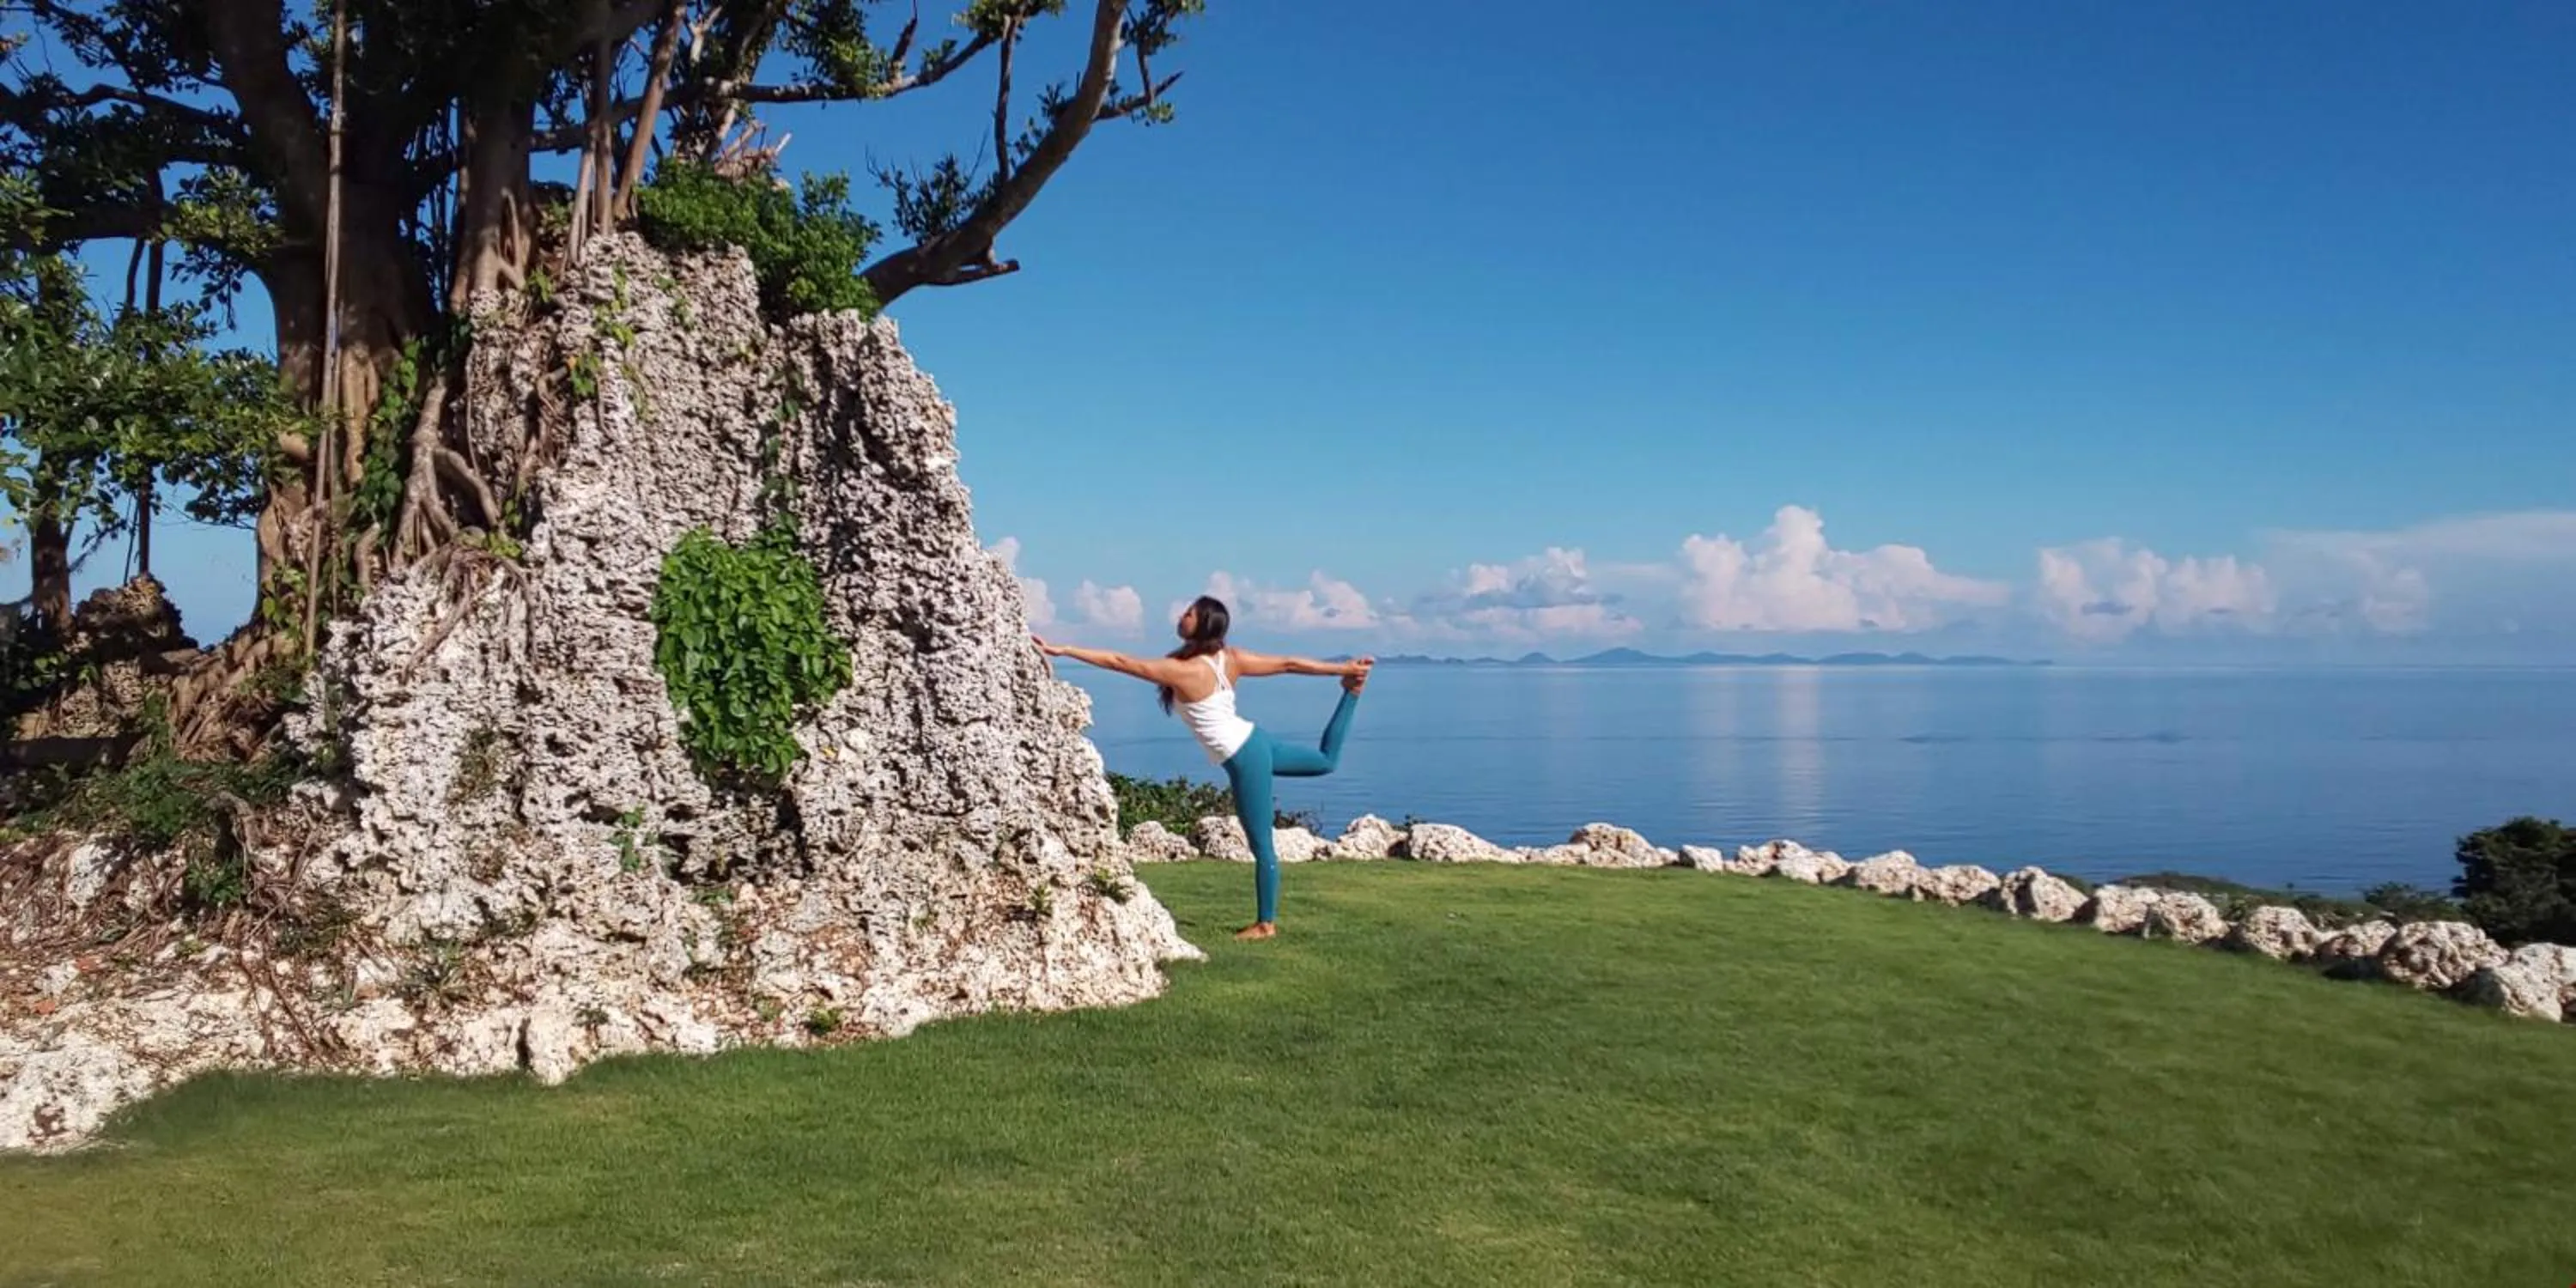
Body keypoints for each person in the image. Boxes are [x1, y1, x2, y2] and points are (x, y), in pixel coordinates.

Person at [1036, 595, 1372, 940]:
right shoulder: (1231, 659)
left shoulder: (1182, 670)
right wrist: (1343, 669)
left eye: (1189, 613)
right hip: (1255, 740)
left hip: (1246, 755)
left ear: (1202, 625)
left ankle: (1266, 924)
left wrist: (1064, 649)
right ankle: (1352, 692)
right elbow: (1288, 664)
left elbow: (1120, 660)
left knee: (1262, 844)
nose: (1182, 616)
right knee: (1325, 762)